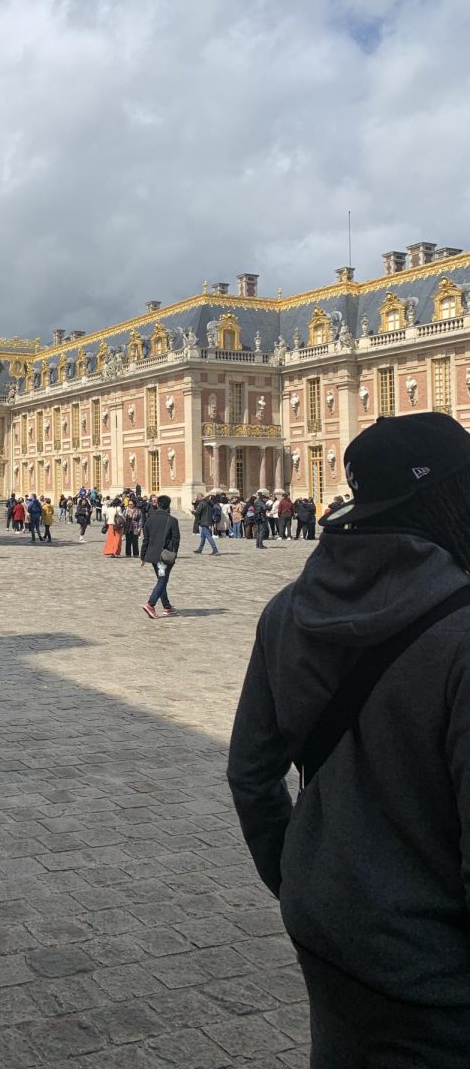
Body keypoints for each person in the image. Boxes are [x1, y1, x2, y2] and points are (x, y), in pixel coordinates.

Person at [227, 412, 470, 1068]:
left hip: (328, 935)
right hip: (437, 976)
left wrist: (303, 876)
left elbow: (251, 774)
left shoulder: (289, 608)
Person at [140, 495, 181, 618]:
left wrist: (142, 556)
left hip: (152, 555)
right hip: (164, 557)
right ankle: (150, 604)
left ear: (157, 504)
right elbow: (176, 539)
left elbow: (145, 540)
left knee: (161, 580)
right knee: (162, 580)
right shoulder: (172, 520)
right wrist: (174, 553)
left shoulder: (149, 520)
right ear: (168, 505)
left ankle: (167, 607)